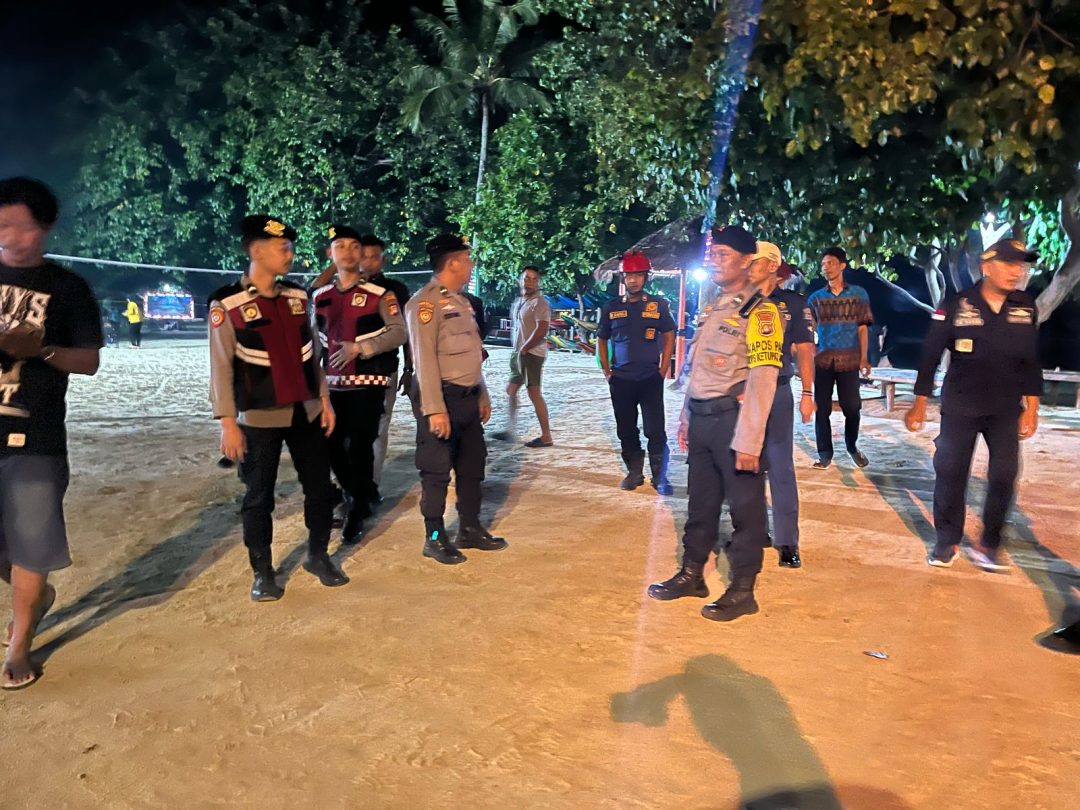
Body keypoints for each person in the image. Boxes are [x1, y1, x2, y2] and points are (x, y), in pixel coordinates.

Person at [209, 215, 348, 601]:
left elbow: (313, 353)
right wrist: (228, 423)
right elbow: (220, 367)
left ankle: (318, 556)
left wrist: (324, 399)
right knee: (259, 497)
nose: (289, 254)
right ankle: (262, 571)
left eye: (290, 247)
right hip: (259, 415)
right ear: (256, 251)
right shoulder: (228, 304)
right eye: (282, 248)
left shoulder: (297, 298)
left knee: (319, 489)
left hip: (306, 411)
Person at [648, 225, 783, 622]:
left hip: (734, 423)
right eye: (713, 254)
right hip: (704, 420)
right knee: (700, 503)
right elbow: (697, 370)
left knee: (746, 509)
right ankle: (692, 574)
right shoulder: (714, 308)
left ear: (746, 261)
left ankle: (743, 589)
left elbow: (763, 378)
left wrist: (750, 440)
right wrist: (686, 416)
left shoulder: (761, 312)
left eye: (723, 255)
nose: (715, 261)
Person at [0, 177, 102, 689]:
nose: (11, 237)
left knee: (31, 540)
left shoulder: (68, 288)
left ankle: (20, 641)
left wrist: (38, 349)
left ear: (46, 227)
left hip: (35, 434)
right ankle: (37, 596)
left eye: (23, 226)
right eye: (2, 226)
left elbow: (89, 361)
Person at [904, 238, 1043, 572]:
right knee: (951, 472)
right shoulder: (956, 305)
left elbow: (1030, 359)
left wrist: (1033, 407)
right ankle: (947, 540)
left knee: (1004, 475)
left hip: (1005, 409)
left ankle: (989, 543)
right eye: (1009, 263)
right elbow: (931, 354)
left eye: (1021, 265)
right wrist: (919, 402)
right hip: (961, 406)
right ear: (986, 267)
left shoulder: (1025, 306)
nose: (1017, 271)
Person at [405, 234, 507, 565]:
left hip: (468, 398)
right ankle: (434, 538)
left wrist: (482, 391)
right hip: (442, 398)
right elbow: (424, 361)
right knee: (436, 472)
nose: (471, 264)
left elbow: (474, 354)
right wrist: (435, 410)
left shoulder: (463, 303)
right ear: (451, 263)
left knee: (472, 466)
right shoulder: (424, 304)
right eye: (466, 258)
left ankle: (469, 528)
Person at [311, 225, 406, 544]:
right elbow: (314, 342)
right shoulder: (320, 296)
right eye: (341, 246)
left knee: (362, 446)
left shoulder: (382, 295)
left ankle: (356, 510)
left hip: (369, 383)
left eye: (355, 247)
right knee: (331, 446)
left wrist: (361, 348)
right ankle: (358, 495)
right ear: (330, 254)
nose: (349, 253)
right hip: (332, 386)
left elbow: (399, 332)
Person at [748, 242, 816, 568]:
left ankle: (788, 541)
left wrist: (808, 394)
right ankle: (755, 529)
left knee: (780, 466)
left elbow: (805, 349)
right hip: (743, 393)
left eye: (756, 261)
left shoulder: (793, 303)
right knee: (747, 464)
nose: (749, 266)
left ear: (773, 266)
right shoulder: (737, 300)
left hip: (777, 391)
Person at [596, 250, 676, 494]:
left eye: (638, 275)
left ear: (646, 277)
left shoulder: (658, 305)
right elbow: (601, 339)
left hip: (650, 378)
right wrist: (607, 371)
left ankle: (660, 476)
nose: (633, 280)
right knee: (626, 429)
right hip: (621, 380)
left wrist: (663, 369)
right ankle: (634, 473)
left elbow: (669, 335)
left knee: (655, 429)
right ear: (623, 278)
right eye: (629, 276)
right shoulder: (611, 307)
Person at [807, 247, 873, 469]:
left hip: (850, 360)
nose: (826, 267)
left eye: (831, 263)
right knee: (821, 408)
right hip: (823, 360)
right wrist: (809, 354)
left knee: (852, 407)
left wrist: (864, 358)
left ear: (842, 265)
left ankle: (852, 446)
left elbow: (863, 328)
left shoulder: (858, 294)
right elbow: (809, 330)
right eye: (823, 264)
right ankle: (824, 453)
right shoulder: (816, 298)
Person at [506, 266, 553, 447]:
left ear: (539, 283)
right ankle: (510, 430)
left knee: (534, 393)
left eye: (534, 279)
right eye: (526, 278)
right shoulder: (519, 301)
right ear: (520, 280)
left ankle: (546, 436)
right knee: (511, 390)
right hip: (518, 352)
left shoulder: (540, 303)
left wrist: (525, 349)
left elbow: (542, 329)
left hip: (531, 353)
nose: (530, 282)